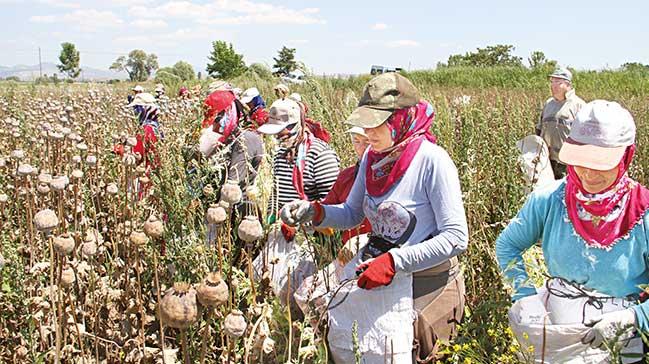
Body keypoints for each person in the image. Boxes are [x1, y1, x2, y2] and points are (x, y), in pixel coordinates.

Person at [280, 73, 468, 362]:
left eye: (376, 124)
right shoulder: (372, 159)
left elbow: (456, 238)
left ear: (400, 119)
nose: (368, 133)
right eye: (365, 124)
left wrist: (395, 261)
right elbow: (352, 213)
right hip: (378, 274)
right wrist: (316, 212)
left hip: (426, 284)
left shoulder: (433, 161)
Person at [497, 100, 649, 362]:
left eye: (601, 163)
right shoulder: (549, 200)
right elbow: (507, 246)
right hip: (559, 333)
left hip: (622, 340)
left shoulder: (643, 212)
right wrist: (524, 295)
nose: (588, 174)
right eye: (580, 161)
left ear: (626, 156)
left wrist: (634, 317)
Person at [257, 98, 339, 224]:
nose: (276, 136)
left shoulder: (320, 154)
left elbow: (331, 203)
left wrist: (306, 222)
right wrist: (270, 221)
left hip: (310, 232)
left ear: (294, 126)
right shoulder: (280, 154)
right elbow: (276, 195)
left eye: (280, 131)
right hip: (283, 228)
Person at [535, 66, 586, 179]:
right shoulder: (548, 104)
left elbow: (585, 137)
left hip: (568, 163)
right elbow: (539, 129)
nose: (553, 86)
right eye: (552, 82)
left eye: (558, 82)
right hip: (547, 161)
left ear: (568, 85)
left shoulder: (579, 105)